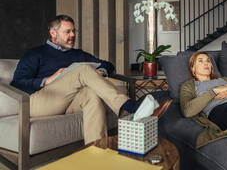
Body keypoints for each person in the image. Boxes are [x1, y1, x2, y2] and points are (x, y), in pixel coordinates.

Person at [11, 14, 171, 144]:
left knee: (91, 95)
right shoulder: (36, 53)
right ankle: (130, 106)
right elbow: (17, 82)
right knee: (82, 69)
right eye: (67, 32)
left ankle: (96, 154)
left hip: (66, 102)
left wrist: (99, 72)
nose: (72, 35)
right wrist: (47, 80)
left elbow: (107, 64)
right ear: (53, 33)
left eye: (74, 31)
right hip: (37, 102)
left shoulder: (78, 54)